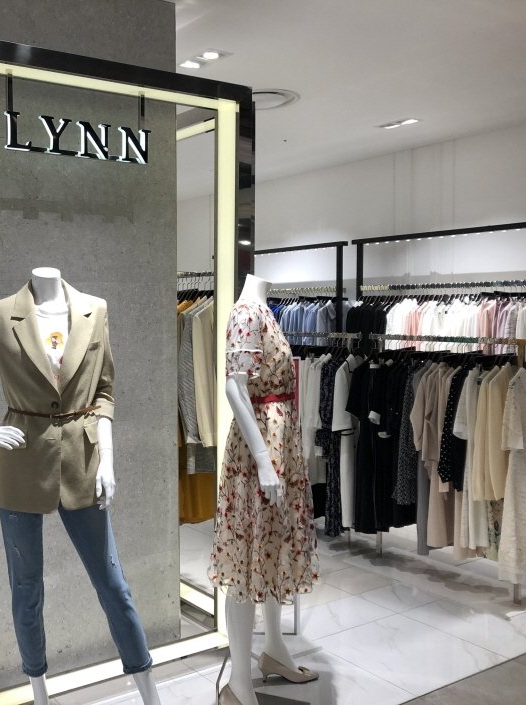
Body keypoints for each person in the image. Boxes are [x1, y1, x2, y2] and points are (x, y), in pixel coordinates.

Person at [0, 267, 161, 705]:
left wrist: (108, 458)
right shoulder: (1, 314)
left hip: (84, 461)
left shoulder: (94, 309)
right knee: (26, 589)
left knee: (114, 586)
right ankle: (40, 694)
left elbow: (104, 392)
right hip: (20, 462)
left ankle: (150, 695)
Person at [210, 274, 320, 705]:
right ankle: (239, 682)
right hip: (260, 454)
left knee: (272, 548)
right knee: (246, 554)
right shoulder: (245, 312)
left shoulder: (264, 311)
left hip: (279, 447)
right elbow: (233, 387)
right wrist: (261, 458)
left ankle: (273, 648)